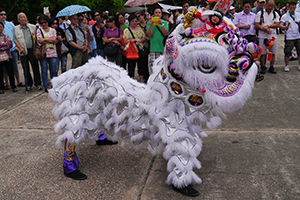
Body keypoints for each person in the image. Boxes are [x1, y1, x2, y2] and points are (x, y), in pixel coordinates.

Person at [14, 12, 42, 91]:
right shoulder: (16, 29)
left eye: (24, 17)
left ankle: (38, 83)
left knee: (35, 67)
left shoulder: (32, 27)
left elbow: (37, 37)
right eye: (21, 17)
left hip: (32, 49)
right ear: (18, 20)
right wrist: (20, 48)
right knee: (26, 68)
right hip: (23, 50)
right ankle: (28, 84)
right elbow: (15, 40)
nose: (23, 19)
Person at [0, 8, 24, 88]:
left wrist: (16, 45)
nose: (3, 16)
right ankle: (7, 83)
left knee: (15, 66)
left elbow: (15, 34)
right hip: (1, 50)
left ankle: (18, 81)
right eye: (1, 14)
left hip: (12, 48)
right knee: (4, 69)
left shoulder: (10, 24)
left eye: (4, 14)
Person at [255, 0, 279, 74]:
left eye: (272, 6)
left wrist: (268, 26)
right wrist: (263, 28)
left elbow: (277, 24)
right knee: (262, 53)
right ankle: (263, 66)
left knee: (273, 52)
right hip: (262, 35)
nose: (270, 7)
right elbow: (257, 24)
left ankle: (271, 66)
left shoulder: (275, 14)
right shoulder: (260, 13)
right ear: (266, 5)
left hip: (272, 36)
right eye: (269, 5)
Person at [36, 14, 58, 93]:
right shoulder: (39, 30)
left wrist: (45, 40)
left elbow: (54, 40)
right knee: (44, 70)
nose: (43, 24)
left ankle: (54, 84)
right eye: (41, 23)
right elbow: (39, 41)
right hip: (43, 53)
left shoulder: (53, 30)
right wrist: (49, 39)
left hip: (53, 53)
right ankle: (46, 86)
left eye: (45, 22)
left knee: (53, 70)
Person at [123, 14, 147, 82]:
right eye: (133, 21)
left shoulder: (139, 29)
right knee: (131, 66)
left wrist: (141, 40)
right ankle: (132, 80)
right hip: (131, 51)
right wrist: (135, 40)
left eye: (136, 21)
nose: (134, 22)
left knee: (141, 66)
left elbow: (144, 37)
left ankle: (141, 80)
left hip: (140, 50)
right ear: (130, 22)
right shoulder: (126, 30)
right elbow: (126, 41)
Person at [279, 2, 300, 72]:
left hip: (298, 35)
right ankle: (287, 65)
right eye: (291, 8)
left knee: (299, 51)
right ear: (289, 8)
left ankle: (299, 65)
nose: (293, 10)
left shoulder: (298, 15)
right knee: (287, 52)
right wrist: (284, 27)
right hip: (289, 36)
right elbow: (280, 25)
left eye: (294, 8)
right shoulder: (285, 16)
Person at [0, 21, 17, 94]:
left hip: (8, 57)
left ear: (3, 28)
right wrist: (4, 45)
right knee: (0, 73)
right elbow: (6, 45)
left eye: (0, 27)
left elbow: (10, 45)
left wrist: (1, 47)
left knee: (10, 71)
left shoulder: (7, 36)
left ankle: (13, 86)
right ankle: (1, 88)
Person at [136, 10, 150, 82]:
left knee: (147, 61)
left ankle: (147, 76)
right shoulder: (137, 26)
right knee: (141, 62)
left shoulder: (148, 24)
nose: (138, 18)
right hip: (140, 46)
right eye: (137, 17)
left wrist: (144, 39)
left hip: (149, 45)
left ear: (143, 16)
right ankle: (143, 77)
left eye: (139, 16)